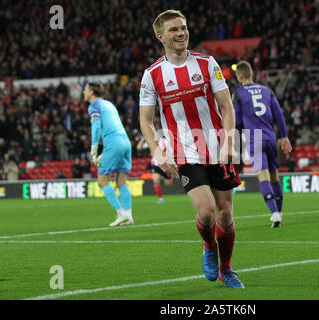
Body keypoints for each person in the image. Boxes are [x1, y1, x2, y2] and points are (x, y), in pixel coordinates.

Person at [139, 10, 244, 288]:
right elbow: (145, 119)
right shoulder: (152, 75)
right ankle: (209, 246)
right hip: (184, 150)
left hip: (217, 147)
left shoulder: (208, 63)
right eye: (174, 30)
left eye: (183, 28)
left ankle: (227, 268)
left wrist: (230, 140)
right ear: (160, 36)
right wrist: (157, 151)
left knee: (225, 213)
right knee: (207, 212)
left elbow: (226, 106)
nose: (181, 33)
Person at [232, 60, 292, 228]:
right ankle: (279, 212)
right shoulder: (267, 91)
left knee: (262, 175)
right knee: (274, 175)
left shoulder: (238, 94)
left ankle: (274, 213)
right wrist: (284, 137)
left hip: (254, 137)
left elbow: (236, 121)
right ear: (251, 73)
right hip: (271, 137)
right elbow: (279, 115)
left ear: (241, 76)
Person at [83, 82, 134, 227]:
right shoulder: (109, 104)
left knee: (102, 181)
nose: (83, 93)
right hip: (125, 141)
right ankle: (128, 216)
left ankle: (121, 213)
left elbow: (96, 126)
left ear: (92, 92)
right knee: (121, 182)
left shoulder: (94, 106)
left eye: (85, 90)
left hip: (113, 142)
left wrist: (94, 149)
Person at [137, 136, 174, 204]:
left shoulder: (165, 141)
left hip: (166, 164)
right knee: (155, 180)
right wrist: (143, 139)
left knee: (168, 184)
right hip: (156, 164)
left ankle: (170, 177)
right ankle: (160, 199)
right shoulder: (151, 141)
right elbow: (139, 147)